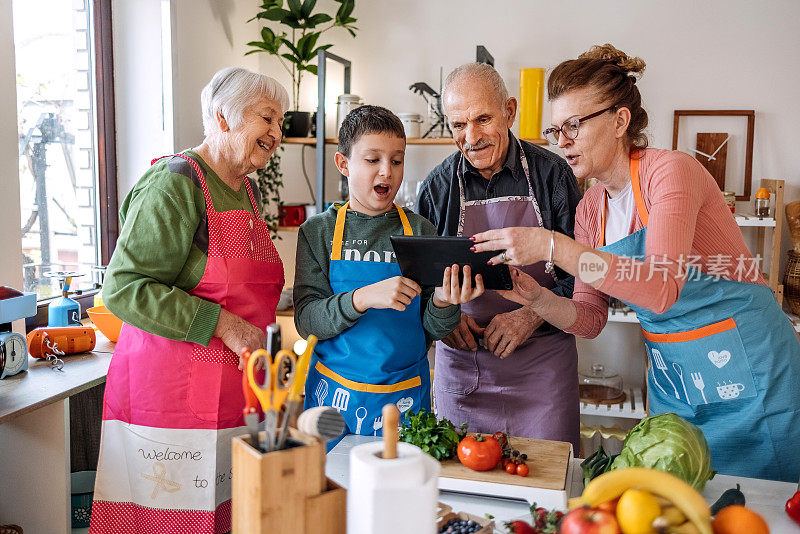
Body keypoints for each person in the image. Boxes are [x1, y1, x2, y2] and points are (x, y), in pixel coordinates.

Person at [471, 44, 800, 482]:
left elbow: (661, 288)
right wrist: (539, 300)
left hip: (755, 375)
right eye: (555, 131)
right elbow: (590, 318)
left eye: (573, 125)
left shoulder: (671, 172)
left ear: (620, 120)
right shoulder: (591, 209)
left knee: (764, 511)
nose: (562, 141)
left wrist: (553, 245)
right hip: (679, 385)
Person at [90, 67, 288, 533]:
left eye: (281, 122)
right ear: (223, 117)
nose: (277, 134)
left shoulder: (247, 189)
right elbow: (123, 287)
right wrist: (224, 324)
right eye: (267, 119)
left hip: (232, 397)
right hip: (170, 400)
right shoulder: (175, 182)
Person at [416, 63, 583, 449]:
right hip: (463, 368)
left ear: (510, 111)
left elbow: (588, 274)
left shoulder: (553, 177)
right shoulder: (438, 187)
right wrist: (444, 317)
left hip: (542, 367)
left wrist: (531, 314)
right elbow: (419, 281)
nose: (470, 137)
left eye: (483, 119)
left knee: (546, 491)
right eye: (458, 125)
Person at [293, 105, 483, 439]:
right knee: (330, 488)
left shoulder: (421, 230)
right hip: (334, 396)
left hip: (404, 396)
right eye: (372, 160)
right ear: (343, 165)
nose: (387, 172)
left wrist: (443, 301)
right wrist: (362, 298)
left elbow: (434, 329)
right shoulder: (318, 232)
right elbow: (307, 320)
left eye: (397, 161)